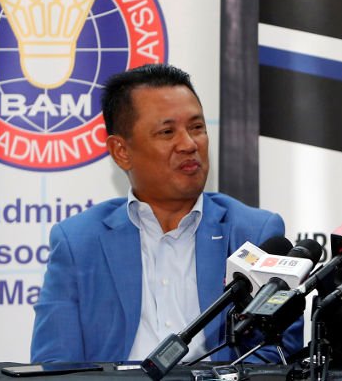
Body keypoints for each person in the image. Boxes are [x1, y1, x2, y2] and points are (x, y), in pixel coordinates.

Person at [31, 64, 302, 363]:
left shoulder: (255, 233)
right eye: (167, 131)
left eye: (197, 128)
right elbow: (55, 362)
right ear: (121, 151)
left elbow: (276, 353)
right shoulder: (78, 241)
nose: (189, 144)